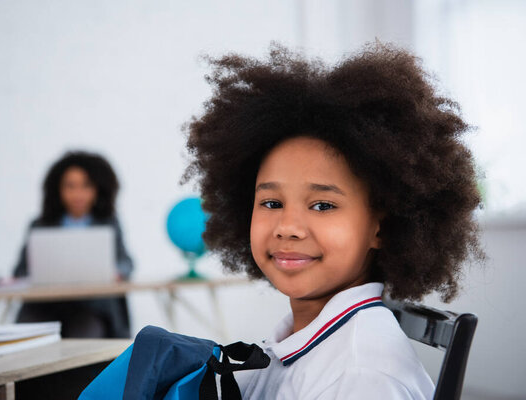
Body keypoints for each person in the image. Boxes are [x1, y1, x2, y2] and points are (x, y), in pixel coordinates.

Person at [183, 43, 483, 398]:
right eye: (271, 202)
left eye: (323, 205)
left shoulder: (361, 378)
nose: (287, 227)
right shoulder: (293, 340)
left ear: (381, 227)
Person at [13, 151, 134, 338]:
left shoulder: (108, 224)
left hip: (92, 307)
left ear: (97, 189)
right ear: (58, 190)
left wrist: (116, 272)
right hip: (44, 306)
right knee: (25, 333)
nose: (78, 194)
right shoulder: (40, 226)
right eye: (70, 186)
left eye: (86, 186)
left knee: (86, 334)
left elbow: (127, 262)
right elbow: (20, 272)